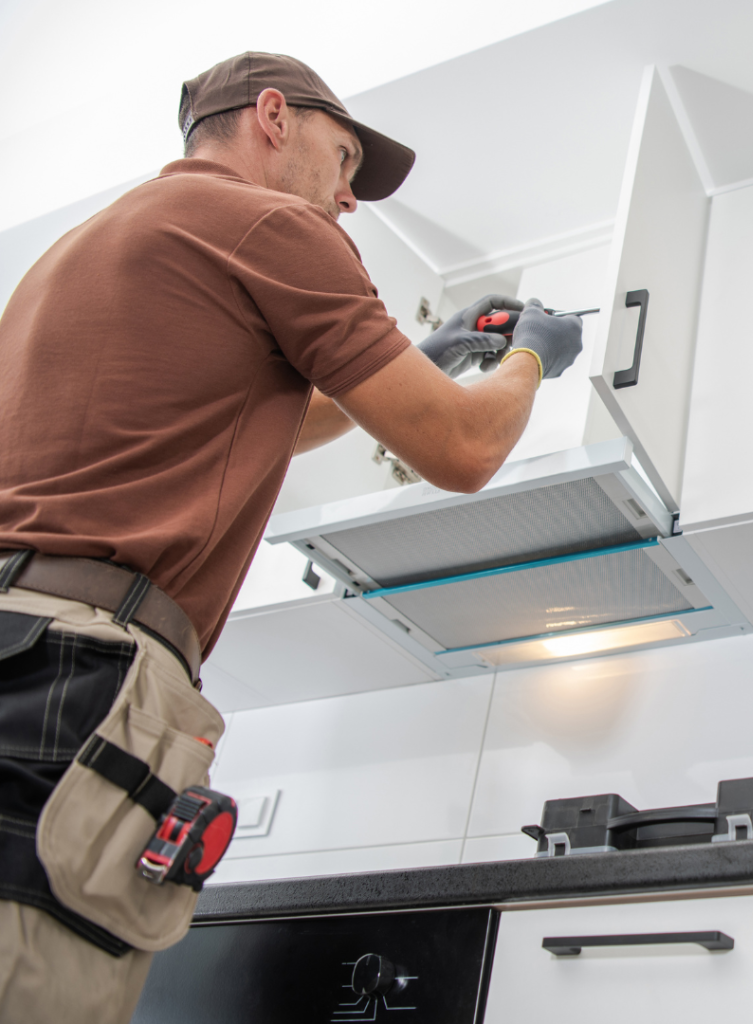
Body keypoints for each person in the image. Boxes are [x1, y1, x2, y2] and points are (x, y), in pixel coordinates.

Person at [0, 51, 583, 1023]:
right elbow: (464, 443)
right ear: (274, 116)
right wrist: (531, 354)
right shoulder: (272, 224)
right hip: (73, 683)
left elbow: (238, 409)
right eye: (345, 158)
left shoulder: (68, 254)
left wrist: (415, 361)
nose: (348, 199)